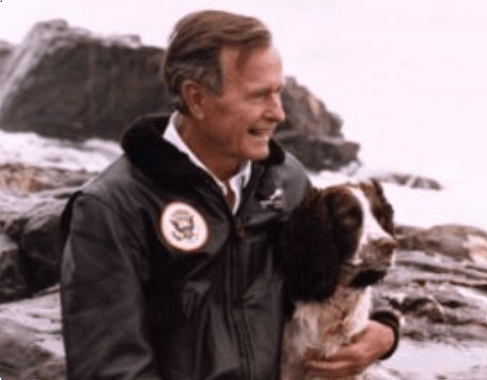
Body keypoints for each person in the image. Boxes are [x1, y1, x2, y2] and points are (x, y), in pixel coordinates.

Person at [60, 9, 399, 380]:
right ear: (197, 98)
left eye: (278, 92)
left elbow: (332, 272)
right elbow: (110, 368)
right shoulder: (112, 208)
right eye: (259, 96)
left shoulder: (287, 182)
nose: (279, 113)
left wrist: (384, 330)